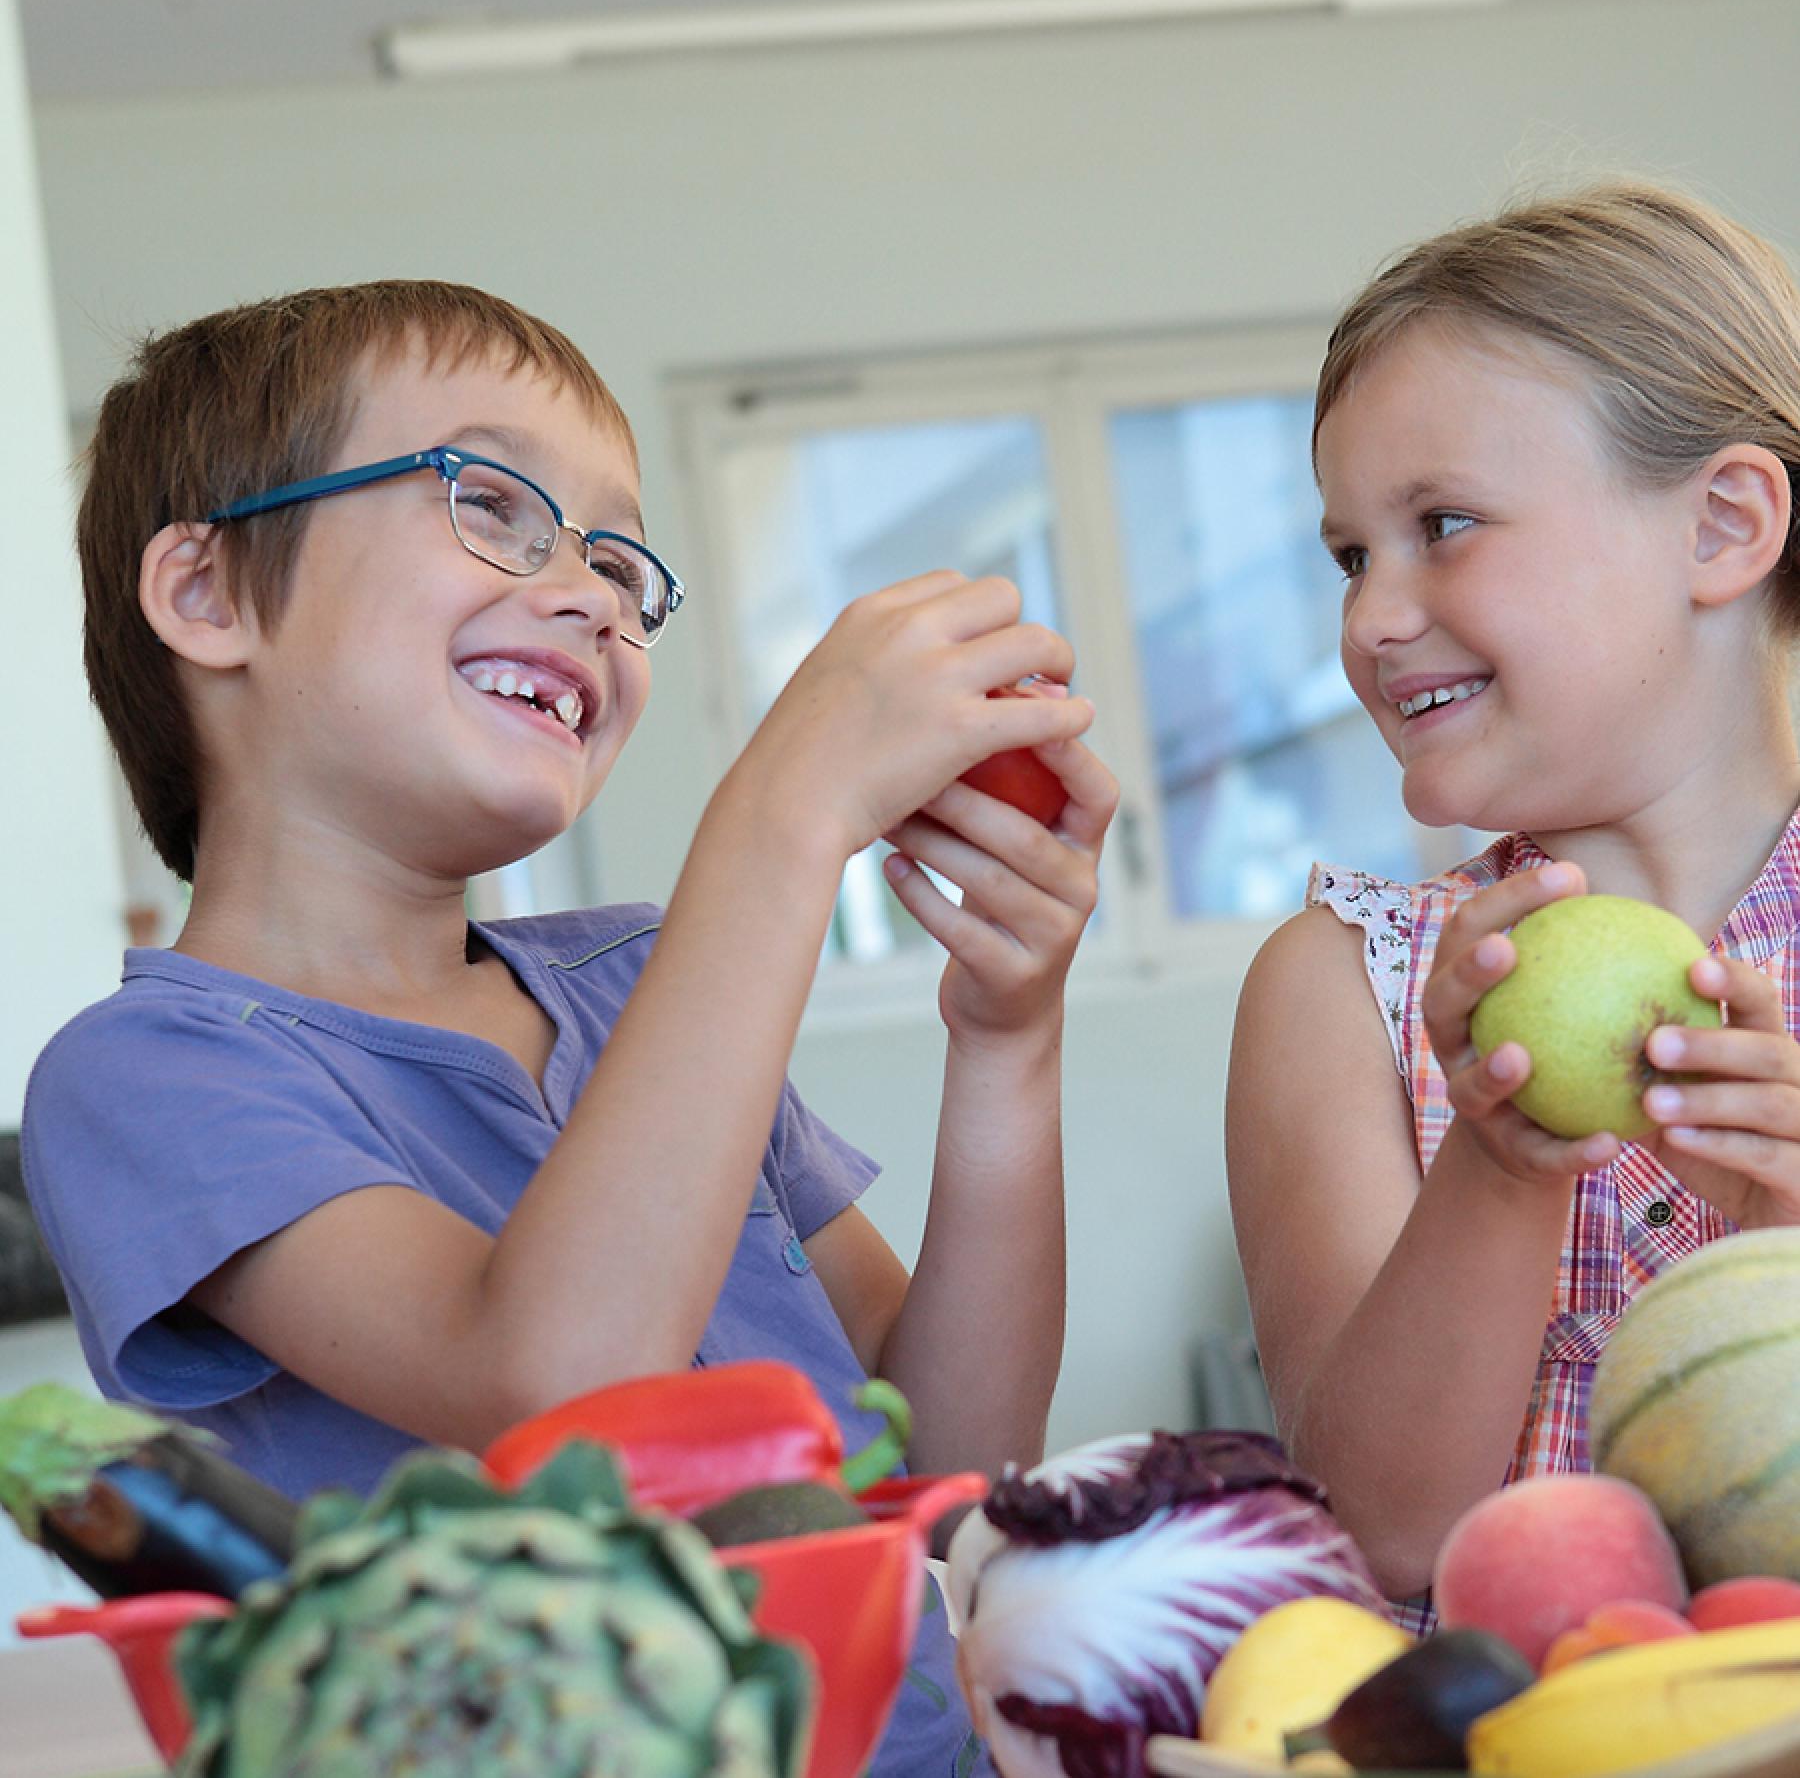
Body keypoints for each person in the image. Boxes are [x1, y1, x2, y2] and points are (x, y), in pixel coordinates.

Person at [23, 281, 1117, 1774]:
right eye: (494, 505)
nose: (597, 593)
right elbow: (561, 1383)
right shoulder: (148, 1078)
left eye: (617, 554)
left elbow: (960, 1465)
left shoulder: (639, 988)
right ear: (209, 596)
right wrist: (783, 811)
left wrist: (1008, 1037)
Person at [1226, 182, 1800, 1621]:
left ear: (1722, 527)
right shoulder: (1344, 986)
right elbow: (1383, 1536)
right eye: (1352, 554)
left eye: (1446, 523)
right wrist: (1493, 1171)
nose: (1368, 617)